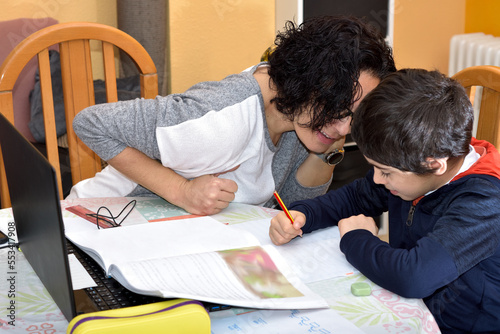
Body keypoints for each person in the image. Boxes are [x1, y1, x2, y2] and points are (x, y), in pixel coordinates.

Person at [67, 15, 396, 216]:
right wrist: (182, 191)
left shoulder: (300, 116)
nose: (343, 128)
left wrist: (327, 148)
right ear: (307, 81)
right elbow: (91, 123)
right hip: (99, 223)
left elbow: (293, 205)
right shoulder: (224, 118)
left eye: (354, 117)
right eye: (336, 111)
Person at [269, 68, 500, 333]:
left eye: (386, 172)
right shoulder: (417, 161)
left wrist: (356, 238)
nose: (377, 179)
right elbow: (356, 196)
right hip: (412, 311)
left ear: (434, 165)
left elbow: (414, 277)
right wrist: (305, 214)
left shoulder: (484, 203)